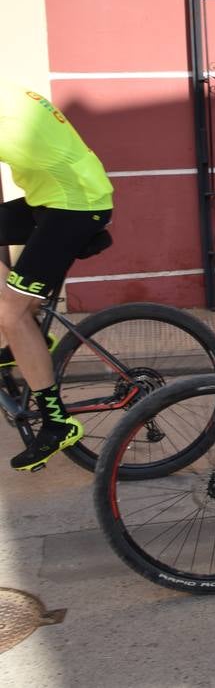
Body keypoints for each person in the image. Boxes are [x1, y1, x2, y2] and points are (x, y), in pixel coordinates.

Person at [0, 83, 113, 471]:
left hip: (76, 204)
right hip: (51, 199)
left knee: (10, 313)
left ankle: (56, 423)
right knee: (12, 315)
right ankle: (20, 334)